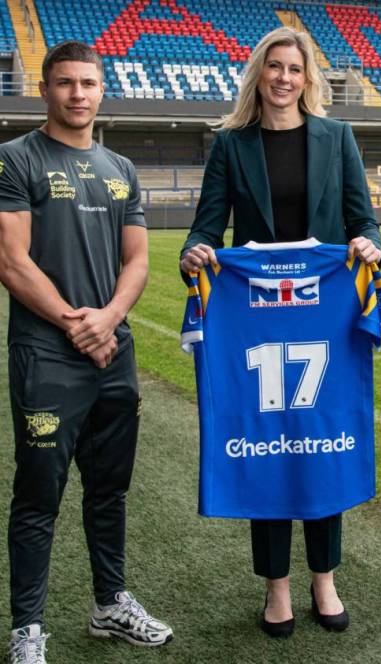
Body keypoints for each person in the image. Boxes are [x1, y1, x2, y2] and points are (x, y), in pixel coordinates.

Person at [178, 26, 381, 639]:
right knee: (267, 438)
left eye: (295, 68)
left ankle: (325, 578)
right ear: (258, 75)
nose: (284, 78)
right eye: (274, 67)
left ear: (308, 78)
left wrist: (367, 242)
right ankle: (276, 587)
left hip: (323, 314)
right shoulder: (232, 145)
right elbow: (207, 225)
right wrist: (195, 252)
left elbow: (360, 217)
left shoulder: (338, 136)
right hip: (256, 318)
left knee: (321, 439)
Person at [0, 41, 173, 664]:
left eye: (89, 83)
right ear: (44, 89)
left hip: (113, 353)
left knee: (109, 490)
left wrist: (110, 318)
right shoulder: (13, 159)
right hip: (48, 357)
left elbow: (138, 260)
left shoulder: (121, 168)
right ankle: (27, 630)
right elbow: (11, 261)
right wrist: (79, 325)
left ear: (102, 91)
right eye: (66, 83)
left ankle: (109, 605)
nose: (78, 94)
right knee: (38, 495)